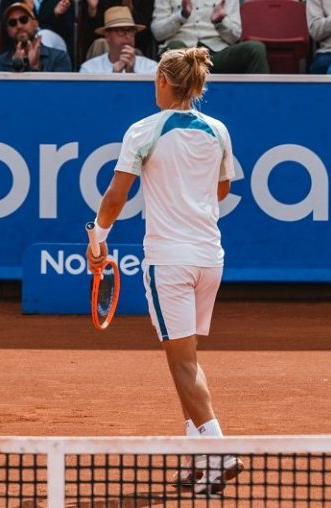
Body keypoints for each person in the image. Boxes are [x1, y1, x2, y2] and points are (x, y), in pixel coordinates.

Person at [87, 47, 243, 494]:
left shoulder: (144, 131)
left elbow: (116, 196)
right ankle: (199, 460)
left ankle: (220, 451)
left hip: (169, 262)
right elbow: (224, 186)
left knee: (182, 364)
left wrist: (97, 238)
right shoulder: (217, 130)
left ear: (162, 81)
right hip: (209, 258)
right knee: (186, 360)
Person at [151, 0, 270, 73]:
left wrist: (220, 22)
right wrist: (181, 16)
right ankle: (178, 110)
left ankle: (262, 107)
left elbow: (235, 37)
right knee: (175, 49)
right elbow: (157, 33)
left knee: (255, 49)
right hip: (182, 52)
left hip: (215, 54)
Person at [0, 2, 72, 72]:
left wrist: (36, 68)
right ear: (8, 30)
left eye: (24, 20)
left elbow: (58, 91)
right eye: (12, 22)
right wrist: (16, 69)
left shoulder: (59, 58)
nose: (19, 26)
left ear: (35, 24)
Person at [80, 6, 158, 74]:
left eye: (131, 31)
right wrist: (114, 77)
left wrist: (132, 74)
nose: (127, 36)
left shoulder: (151, 67)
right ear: (107, 35)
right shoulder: (90, 69)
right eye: (121, 31)